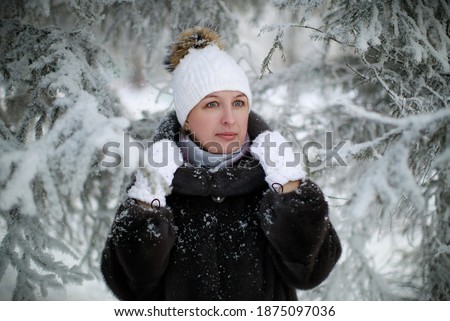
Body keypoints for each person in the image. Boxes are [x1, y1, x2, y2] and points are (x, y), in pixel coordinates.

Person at [101, 26, 341, 300]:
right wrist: (146, 202)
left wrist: (289, 188)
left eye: (238, 103)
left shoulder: (272, 177)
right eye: (212, 105)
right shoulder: (157, 180)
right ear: (185, 117)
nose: (230, 118)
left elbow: (309, 274)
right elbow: (130, 288)